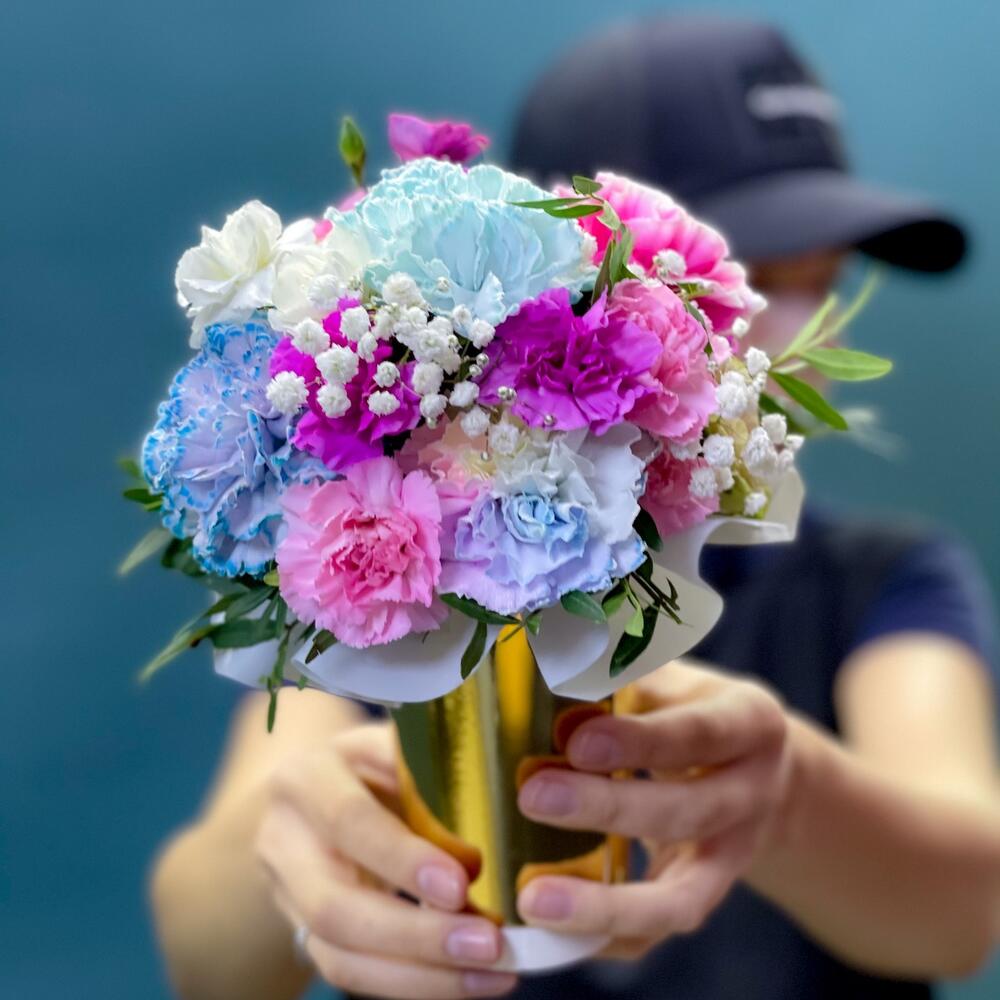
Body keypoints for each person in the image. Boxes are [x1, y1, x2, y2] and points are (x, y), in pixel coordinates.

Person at [150, 14, 1000, 1000]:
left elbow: (969, 911)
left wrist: (787, 798)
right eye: (756, 278)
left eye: (827, 281)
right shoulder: (380, 562)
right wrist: (290, 852)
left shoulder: (885, 579)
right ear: (547, 294)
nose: (809, 329)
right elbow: (205, 959)